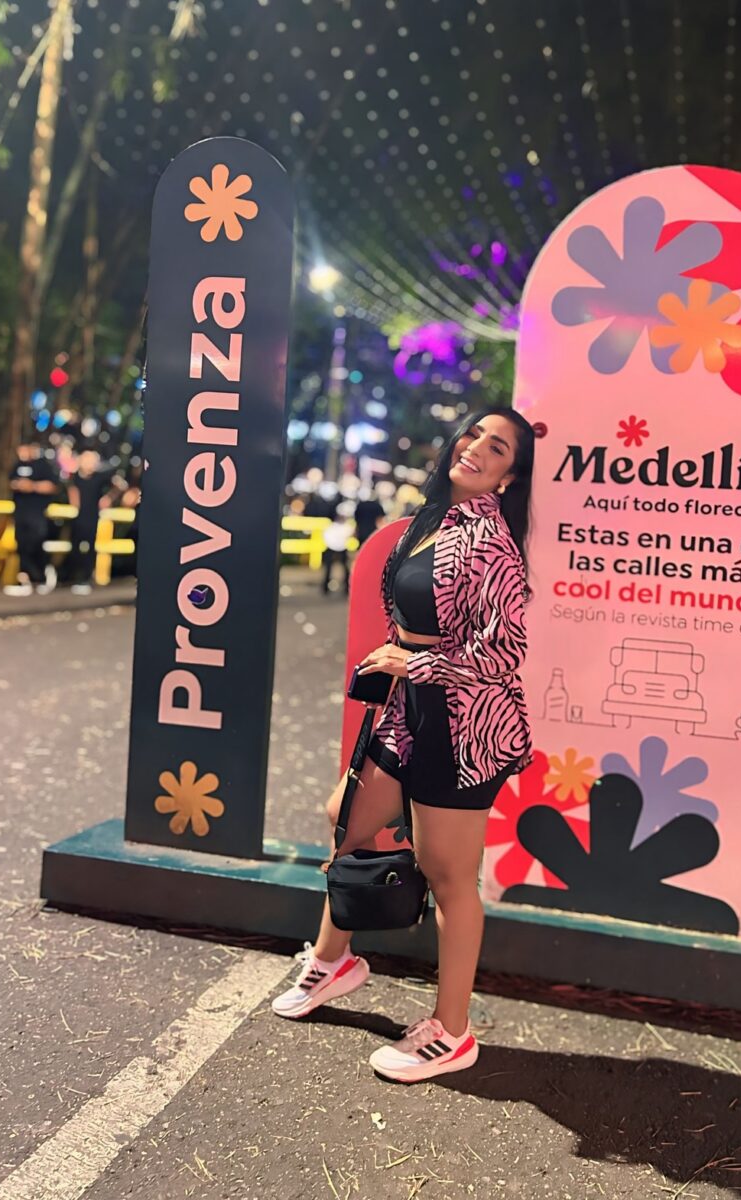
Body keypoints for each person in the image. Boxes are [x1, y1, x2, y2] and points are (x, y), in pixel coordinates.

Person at [271, 410, 535, 1083]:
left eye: (495, 446)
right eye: (473, 434)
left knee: (449, 876)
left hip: (465, 723)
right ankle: (336, 961)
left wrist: (413, 665)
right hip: (411, 709)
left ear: (509, 476)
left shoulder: (492, 542)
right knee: (348, 821)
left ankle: (452, 1031)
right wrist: (399, 668)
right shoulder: (433, 521)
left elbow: (503, 655)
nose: (475, 447)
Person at [4, 441, 60, 596]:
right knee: (21, 544)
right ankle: (24, 579)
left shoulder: (43, 465)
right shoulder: (17, 465)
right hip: (21, 511)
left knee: (36, 542)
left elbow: (53, 486)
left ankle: (42, 576)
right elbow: (10, 481)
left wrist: (32, 486)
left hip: (37, 512)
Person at [65, 450, 118, 594]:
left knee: (90, 548)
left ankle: (86, 578)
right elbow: (70, 488)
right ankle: (72, 577)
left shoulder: (100, 477)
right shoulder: (74, 477)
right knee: (75, 546)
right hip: (77, 517)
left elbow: (118, 485)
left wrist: (108, 498)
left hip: (92, 516)